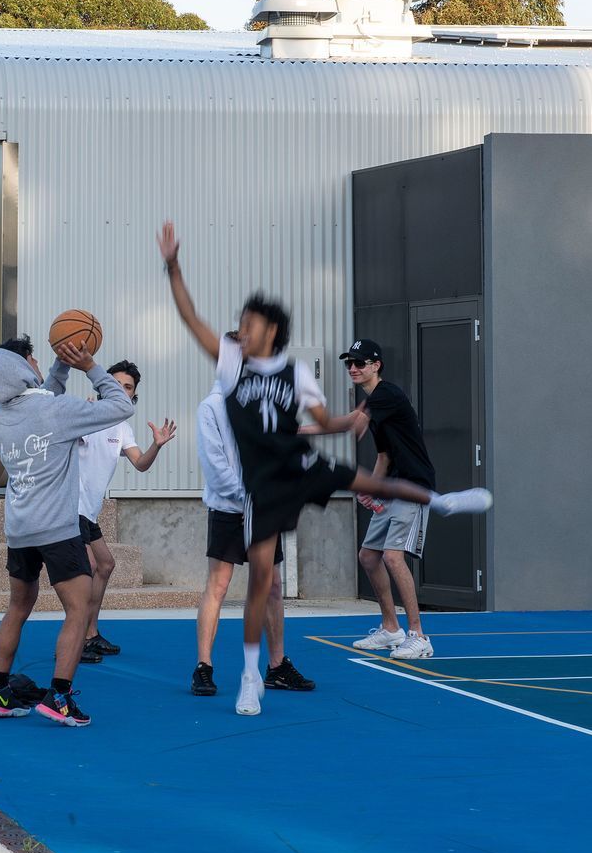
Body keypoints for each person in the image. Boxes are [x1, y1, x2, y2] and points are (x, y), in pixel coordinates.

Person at [157, 221, 491, 715]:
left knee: (363, 479)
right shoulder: (226, 382)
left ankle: (440, 501)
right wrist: (173, 266)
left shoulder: (291, 374)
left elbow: (317, 423)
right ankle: (250, 677)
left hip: (290, 470)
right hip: (253, 494)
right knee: (256, 584)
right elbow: (191, 318)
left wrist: (350, 421)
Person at [0, 333, 135, 728]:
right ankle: (59, 698)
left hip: (20, 527)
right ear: (22, 368)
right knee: (78, 609)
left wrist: (61, 366)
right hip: (57, 528)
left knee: (18, 607)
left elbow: (42, 397)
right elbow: (120, 405)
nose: (37, 365)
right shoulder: (58, 412)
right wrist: (89, 366)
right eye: (32, 360)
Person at [191, 382, 315, 696]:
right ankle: (203, 667)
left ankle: (276, 667)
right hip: (229, 508)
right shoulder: (212, 406)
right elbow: (214, 461)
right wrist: (243, 497)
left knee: (272, 585)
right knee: (218, 584)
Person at [342, 338, 445, 659]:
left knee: (392, 556)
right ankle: (390, 629)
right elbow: (385, 454)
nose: (353, 369)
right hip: (393, 485)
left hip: (413, 486)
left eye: (360, 363)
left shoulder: (385, 395)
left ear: (376, 366)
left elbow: (349, 424)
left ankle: (418, 635)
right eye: (350, 364)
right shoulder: (376, 404)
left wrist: (291, 430)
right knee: (368, 556)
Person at [73, 360, 175, 664]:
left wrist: (157, 445)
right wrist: (82, 417)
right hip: (70, 508)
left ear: (133, 396)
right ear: (103, 388)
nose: (121, 390)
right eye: (114, 384)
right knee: (88, 569)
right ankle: (75, 641)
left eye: (127, 387)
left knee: (105, 565)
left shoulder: (123, 428)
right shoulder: (86, 414)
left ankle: (90, 633)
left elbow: (140, 463)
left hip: (89, 513)